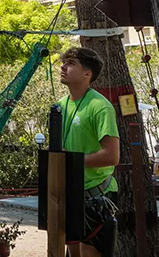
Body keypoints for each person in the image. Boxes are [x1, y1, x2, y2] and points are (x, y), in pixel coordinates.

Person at [58, 47, 119, 257]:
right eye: (64, 62)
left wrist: (72, 160)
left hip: (97, 195)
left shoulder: (100, 106)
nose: (63, 67)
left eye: (71, 63)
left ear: (87, 74)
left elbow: (111, 156)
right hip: (68, 194)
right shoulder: (59, 107)